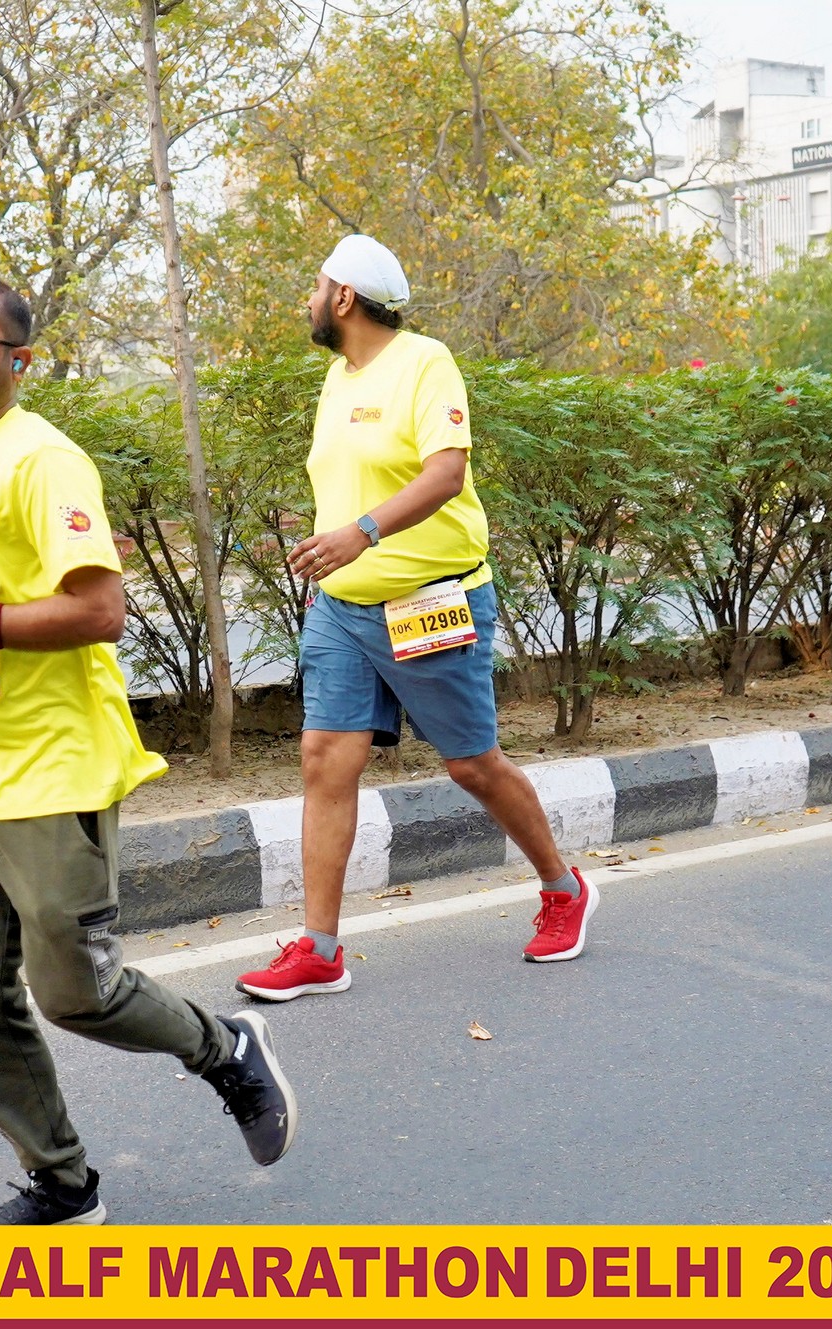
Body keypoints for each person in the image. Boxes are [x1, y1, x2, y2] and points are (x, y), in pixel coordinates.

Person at [0, 266, 296, 1224]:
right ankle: (63, 1185)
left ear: (18, 360)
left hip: (55, 764)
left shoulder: (43, 460)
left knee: (76, 995)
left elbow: (100, 612)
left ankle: (225, 1048)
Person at [235, 235, 599, 1002]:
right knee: (324, 761)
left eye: (317, 285)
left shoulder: (424, 362)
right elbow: (351, 482)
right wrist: (327, 546)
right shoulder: (338, 377)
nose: (309, 299)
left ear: (343, 297)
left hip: (428, 601)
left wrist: (361, 533)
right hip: (341, 607)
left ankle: (564, 889)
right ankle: (320, 949)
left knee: (471, 763)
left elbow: (446, 473)